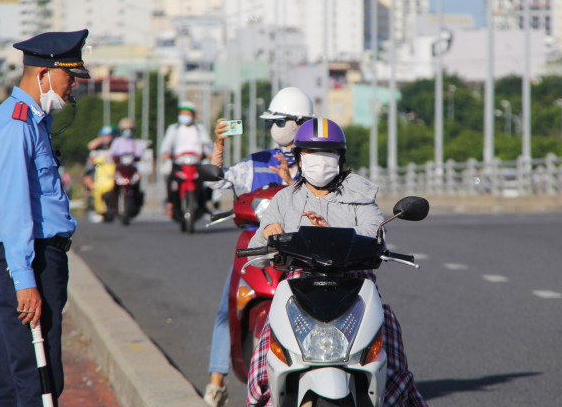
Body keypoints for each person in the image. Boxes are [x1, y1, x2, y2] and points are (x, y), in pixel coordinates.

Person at [245, 118, 428, 407]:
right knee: (264, 355)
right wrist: (268, 234)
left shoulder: (361, 197)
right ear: (299, 158)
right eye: (311, 154)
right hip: (299, 293)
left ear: (340, 159)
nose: (320, 162)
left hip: (355, 291)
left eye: (328, 155)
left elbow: (375, 234)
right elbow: (255, 256)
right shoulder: (283, 200)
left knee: (390, 334)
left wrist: (329, 232)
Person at [0, 29, 90, 406]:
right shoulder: (16, 126)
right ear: (43, 74)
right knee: (37, 377)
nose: (73, 85)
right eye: (69, 76)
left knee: (13, 369)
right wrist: (25, 280)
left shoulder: (32, 121)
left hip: (36, 258)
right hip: (32, 260)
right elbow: (14, 210)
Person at [204, 87, 316, 407]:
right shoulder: (257, 161)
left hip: (301, 249)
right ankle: (216, 384)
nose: (274, 129)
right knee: (228, 308)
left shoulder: (316, 161)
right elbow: (217, 181)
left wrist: (293, 178)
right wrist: (219, 143)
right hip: (258, 247)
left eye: (279, 122)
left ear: (299, 123)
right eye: (271, 123)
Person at [160, 101, 214, 219]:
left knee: (208, 181)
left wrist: (209, 152)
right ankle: (170, 203)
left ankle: (204, 203)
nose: (185, 116)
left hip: (196, 163)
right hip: (179, 162)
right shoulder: (174, 129)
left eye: (187, 113)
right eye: (183, 113)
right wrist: (165, 152)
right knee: (171, 180)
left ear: (193, 115)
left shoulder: (199, 129)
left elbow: (207, 143)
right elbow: (166, 144)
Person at [108, 117, 145, 215]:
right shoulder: (117, 142)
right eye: (125, 130)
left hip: (132, 168)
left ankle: (137, 203)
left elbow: (140, 154)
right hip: (120, 168)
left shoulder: (136, 142)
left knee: (137, 184)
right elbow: (111, 154)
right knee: (114, 185)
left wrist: (142, 158)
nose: (127, 132)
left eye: (130, 129)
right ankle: (113, 204)